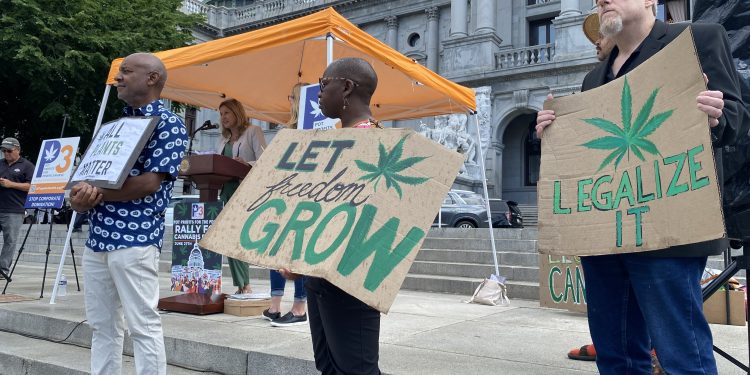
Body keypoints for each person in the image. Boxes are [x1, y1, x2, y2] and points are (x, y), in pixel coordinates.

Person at [536, 1, 748, 374]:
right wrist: (553, 132)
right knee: (614, 351)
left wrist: (719, 114)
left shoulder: (697, 40)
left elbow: (737, 119)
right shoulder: (593, 78)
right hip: (602, 234)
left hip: (670, 230)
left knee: (682, 353)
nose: (601, 0)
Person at [70, 52, 188, 375]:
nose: (117, 77)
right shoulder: (115, 126)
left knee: (143, 326)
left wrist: (95, 194)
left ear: (152, 79)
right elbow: (89, 177)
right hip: (98, 241)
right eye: (118, 72)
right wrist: (80, 197)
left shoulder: (170, 124)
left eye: (126, 71)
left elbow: (150, 182)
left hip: (134, 240)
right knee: (102, 327)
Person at [280, 57, 382, 375]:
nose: (318, 93)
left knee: (356, 370)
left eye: (324, 84)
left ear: (347, 87)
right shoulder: (333, 144)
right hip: (319, 275)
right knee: (329, 367)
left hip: (350, 279)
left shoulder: (377, 148)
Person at [215, 97, 266, 296]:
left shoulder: (253, 131)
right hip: (224, 191)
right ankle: (241, 284)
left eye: (226, 112)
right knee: (228, 239)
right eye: (220, 114)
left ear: (237, 112)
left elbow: (265, 160)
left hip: (243, 191)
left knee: (238, 237)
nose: (223, 117)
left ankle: (246, 285)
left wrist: (245, 163)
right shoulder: (223, 140)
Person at [0, 137, 34, 278]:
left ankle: (3, 270)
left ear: (18, 150)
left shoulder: (27, 165)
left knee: (10, 240)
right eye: (3, 151)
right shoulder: (0, 163)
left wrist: (11, 184)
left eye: (9, 150)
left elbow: (32, 186)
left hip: (14, 209)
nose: (6, 153)